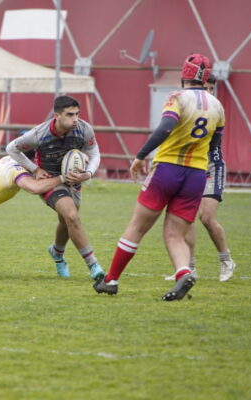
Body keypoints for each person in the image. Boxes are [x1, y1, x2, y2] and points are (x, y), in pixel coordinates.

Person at [93, 53, 225, 300]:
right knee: (175, 234)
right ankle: (183, 273)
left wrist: (140, 156)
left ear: (184, 74)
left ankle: (110, 280)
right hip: (196, 175)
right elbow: (214, 146)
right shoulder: (217, 106)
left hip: (167, 170)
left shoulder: (177, 98)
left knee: (137, 227)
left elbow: (165, 128)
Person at [5, 95, 104, 281]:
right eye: (70, 115)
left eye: (77, 114)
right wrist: (35, 169)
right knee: (72, 216)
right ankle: (94, 266)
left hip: (74, 180)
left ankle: (57, 252)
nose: (75, 119)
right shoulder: (39, 134)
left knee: (67, 221)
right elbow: (12, 148)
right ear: (57, 116)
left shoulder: (84, 129)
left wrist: (88, 173)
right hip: (50, 181)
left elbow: (94, 153)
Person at [166, 75, 236, 282]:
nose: (208, 92)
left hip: (211, 166)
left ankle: (226, 260)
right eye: (206, 88)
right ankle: (189, 267)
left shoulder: (214, 109)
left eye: (211, 88)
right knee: (184, 218)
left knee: (206, 217)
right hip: (189, 164)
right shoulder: (183, 106)